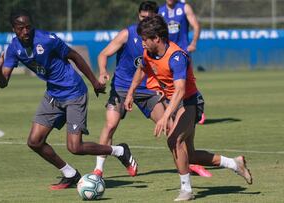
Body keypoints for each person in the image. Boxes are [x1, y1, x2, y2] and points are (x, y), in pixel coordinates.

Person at [0, 9, 137, 190]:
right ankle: (70, 174)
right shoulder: (13, 48)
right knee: (34, 141)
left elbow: (74, 56)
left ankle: (119, 151)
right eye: (21, 28)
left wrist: (94, 82)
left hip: (74, 92)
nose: (25, 31)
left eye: (28, 27)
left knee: (75, 147)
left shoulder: (46, 39)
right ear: (14, 29)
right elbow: (3, 83)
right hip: (53, 94)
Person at [124, 15, 252, 201]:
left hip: (190, 102)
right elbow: (141, 70)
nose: (142, 43)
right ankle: (234, 164)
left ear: (156, 39)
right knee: (189, 155)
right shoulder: (148, 53)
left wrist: (165, 116)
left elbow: (180, 91)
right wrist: (130, 93)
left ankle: (186, 190)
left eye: (145, 39)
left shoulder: (177, 57)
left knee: (174, 141)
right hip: (176, 102)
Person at [92, 1, 163, 178]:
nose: (144, 21)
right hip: (122, 88)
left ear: (156, 17)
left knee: (168, 125)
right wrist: (102, 71)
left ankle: (188, 164)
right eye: (142, 17)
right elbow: (103, 54)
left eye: (148, 18)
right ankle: (98, 170)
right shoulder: (127, 33)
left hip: (147, 89)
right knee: (110, 125)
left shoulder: (159, 38)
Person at [159, 0, 210, 177]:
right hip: (165, 56)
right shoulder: (161, 11)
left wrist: (194, 42)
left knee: (186, 85)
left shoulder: (184, 7)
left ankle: (196, 108)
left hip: (181, 54)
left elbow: (196, 25)